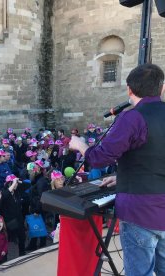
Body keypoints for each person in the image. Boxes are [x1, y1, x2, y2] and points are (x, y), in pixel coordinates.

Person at [69, 63, 165, 276]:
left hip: (140, 213)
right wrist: (120, 178)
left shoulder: (132, 118)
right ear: (162, 88)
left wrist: (80, 145)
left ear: (130, 90)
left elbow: (99, 158)